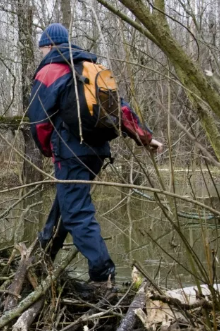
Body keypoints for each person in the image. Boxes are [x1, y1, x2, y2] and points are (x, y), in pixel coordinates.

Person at [28, 23, 163, 285]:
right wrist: (145, 138)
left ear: (48, 46)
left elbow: (39, 119)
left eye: (42, 48)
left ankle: (103, 275)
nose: (42, 54)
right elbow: (120, 109)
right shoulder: (90, 68)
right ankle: (42, 259)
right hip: (96, 152)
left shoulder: (50, 70)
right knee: (67, 204)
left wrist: (48, 149)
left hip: (70, 151)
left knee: (76, 211)